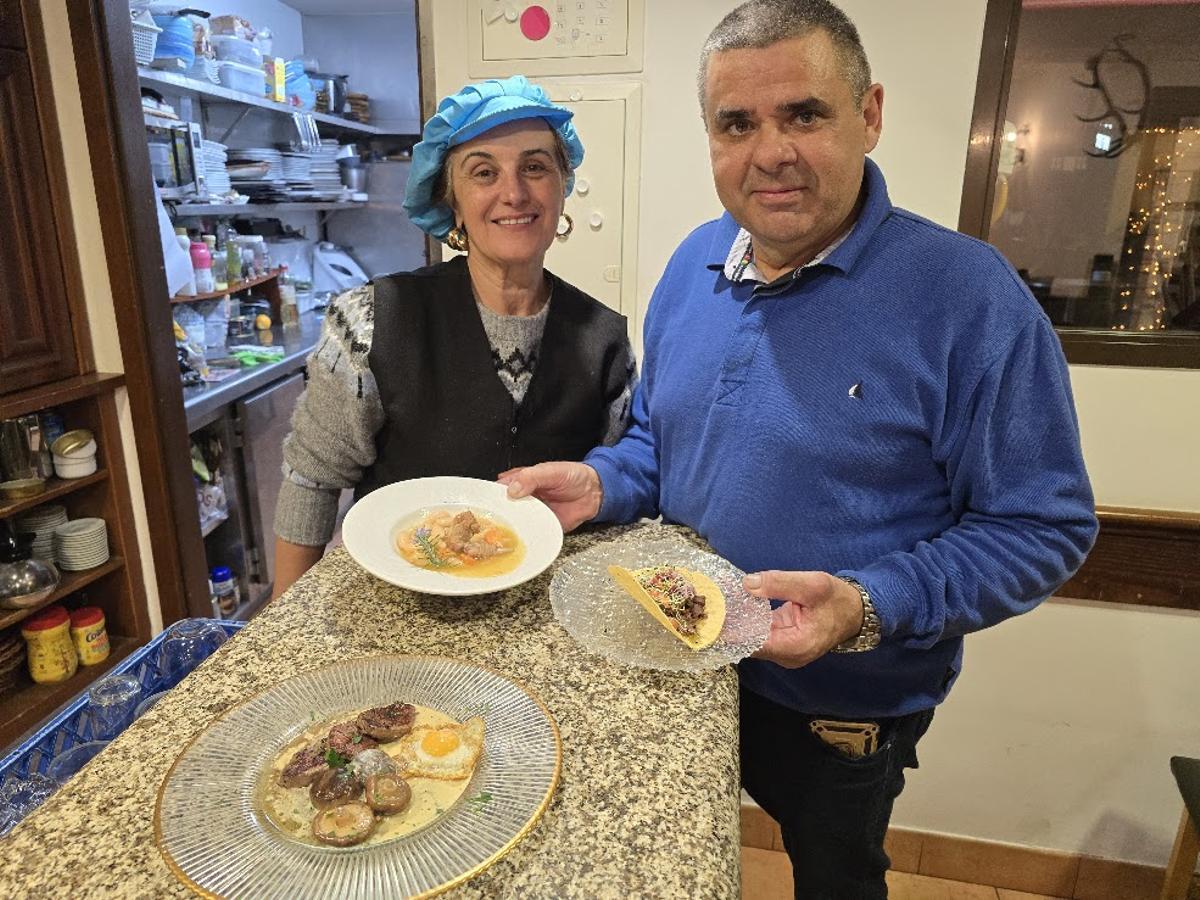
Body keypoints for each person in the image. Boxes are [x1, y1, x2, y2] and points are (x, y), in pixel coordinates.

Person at [501, 2, 1098, 896]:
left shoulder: (968, 298)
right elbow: (663, 439)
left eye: (804, 114)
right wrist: (602, 481)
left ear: (870, 114)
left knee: (836, 878)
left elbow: (1041, 527)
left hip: (840, 709)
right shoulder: (694, 263)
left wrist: (864, 605)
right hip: (685, 663)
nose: (770, 152)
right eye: (737, 124)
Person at [272, 76, 636, 599]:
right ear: (453, 202)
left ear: (563, 186)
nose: (514, 193)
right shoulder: (371, 322)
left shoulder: (605, 339)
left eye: (535, 167)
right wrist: (284, 624)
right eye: (484, 172)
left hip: (546, 612)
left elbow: (612, 484)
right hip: (397, 610)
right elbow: (312, 480)